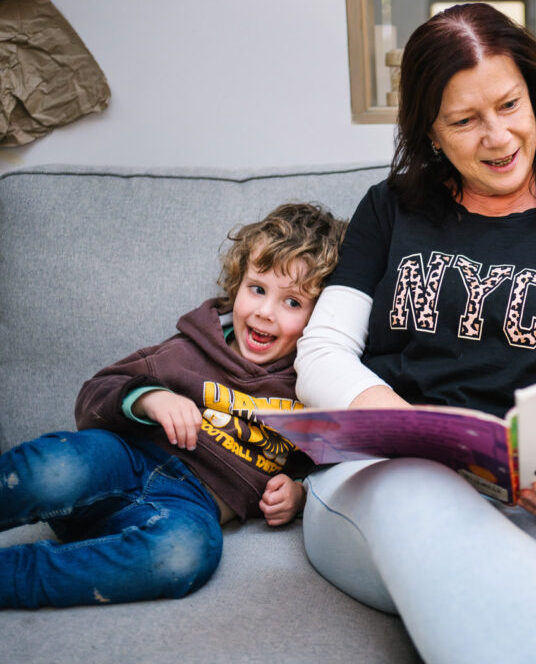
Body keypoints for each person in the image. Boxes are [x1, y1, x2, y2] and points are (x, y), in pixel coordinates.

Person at [294, 3, 536, 663]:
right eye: (465, 121)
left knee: (535, 606)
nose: (499, 136)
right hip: (392, 481)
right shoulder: (390, 208)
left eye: (510, 104)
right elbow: (320, 353)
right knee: (432, 511)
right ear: (432, 133)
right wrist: (416, 434)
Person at [0, 203, 346, 608]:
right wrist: (150, 398)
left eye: (292, 303)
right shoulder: (190, 348)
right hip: (123, 459)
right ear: (237, 284)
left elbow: (323, 466)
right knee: (55, 468)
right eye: (257, 289)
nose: (265, 312)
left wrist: (300, 494)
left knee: (186, 556)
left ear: (322, 317)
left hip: (189, 507)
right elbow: (96, 393)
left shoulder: (311, 392)